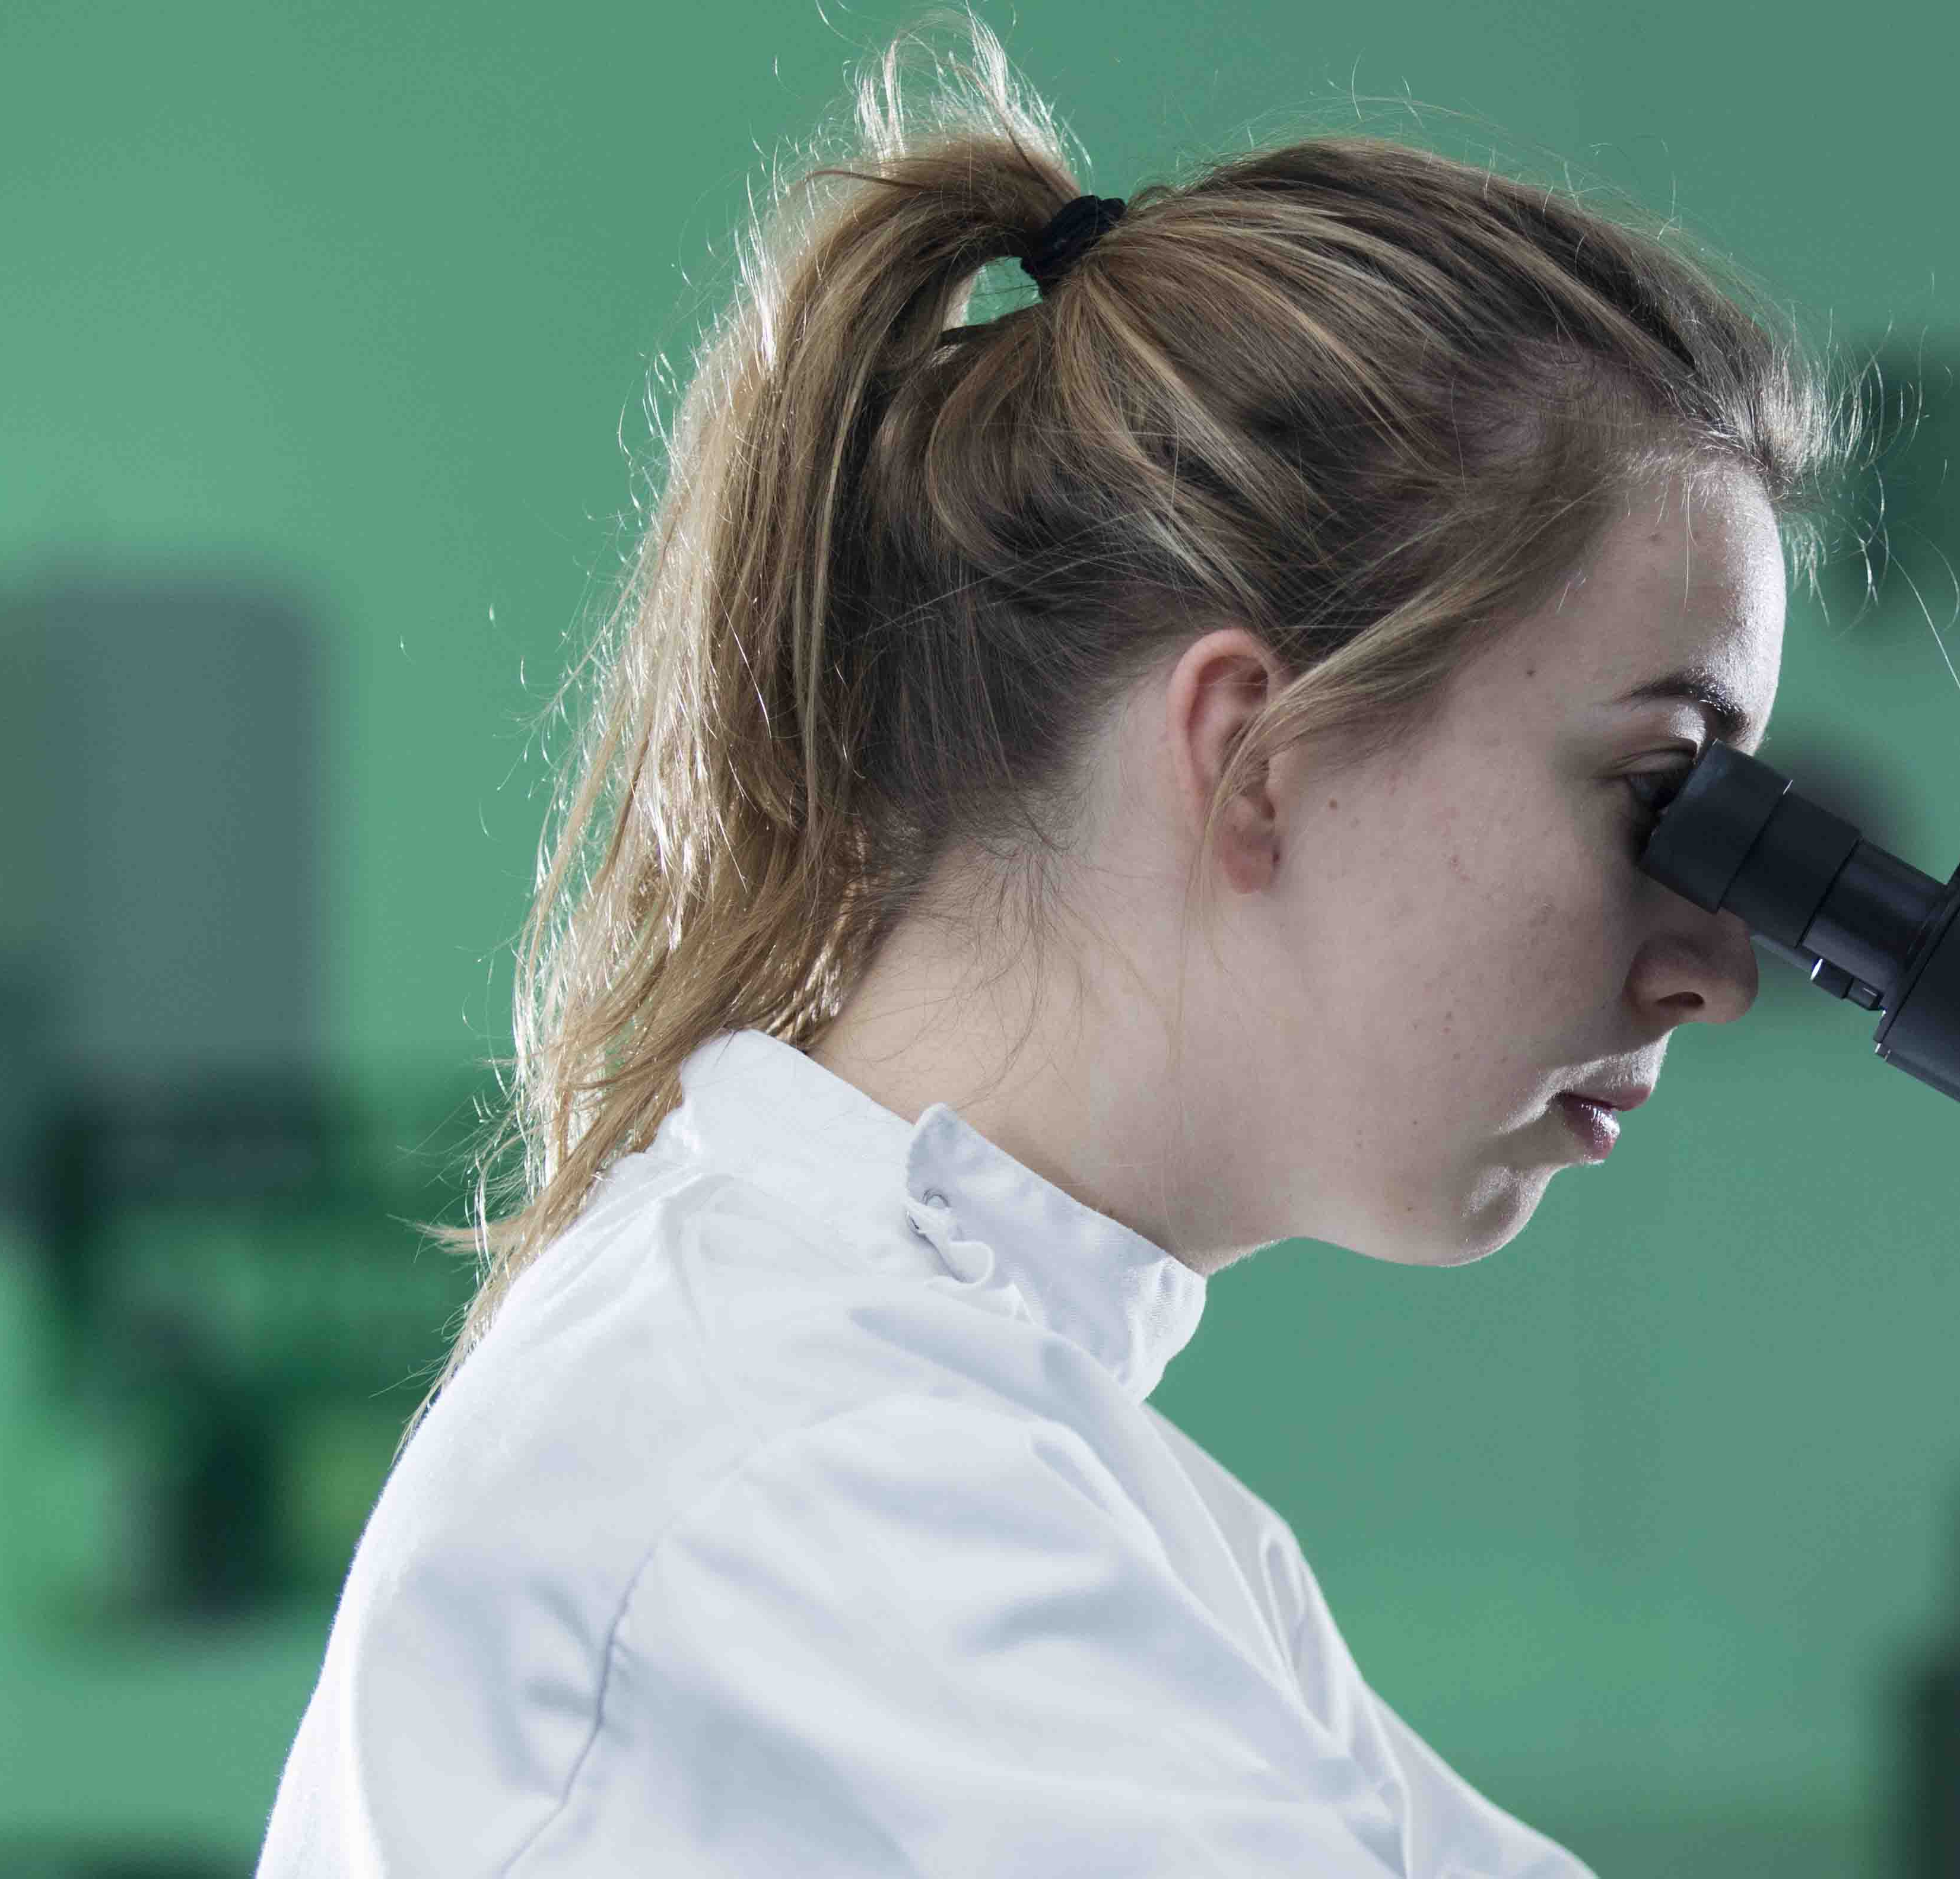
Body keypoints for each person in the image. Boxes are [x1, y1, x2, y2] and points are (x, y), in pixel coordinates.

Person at [258, 20, 1826, 1875]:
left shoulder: (1004, 1462)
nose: (1716, 967)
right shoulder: (824, 1487)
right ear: (1256, 752)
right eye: (1659, 792)